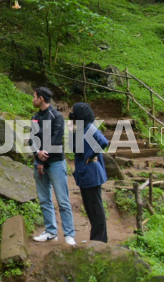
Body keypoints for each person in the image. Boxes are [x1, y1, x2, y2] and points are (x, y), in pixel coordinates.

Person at [31, 86, 76, 245]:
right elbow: (32, 139)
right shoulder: (35, 117)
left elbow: (56, 140)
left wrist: (42, 160)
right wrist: (37, 153)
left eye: (34, 96)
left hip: (55, 163)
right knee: (44, 199)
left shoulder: (56, 117)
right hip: (39, 163)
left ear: (41, 98)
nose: (33, 99)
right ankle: (50, 231)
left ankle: (69, 234)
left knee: (63, 200)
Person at [70, 102, 109, 243]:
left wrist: (91, 156)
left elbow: (103, 141)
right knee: (90, 208)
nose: (71, 114)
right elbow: (74, 148)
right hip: (85, 174)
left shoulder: (88, 127)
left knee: (96, 208)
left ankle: (100, 240)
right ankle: (95, 238)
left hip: (92, 173)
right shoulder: (80, 129)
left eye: (73, 112)